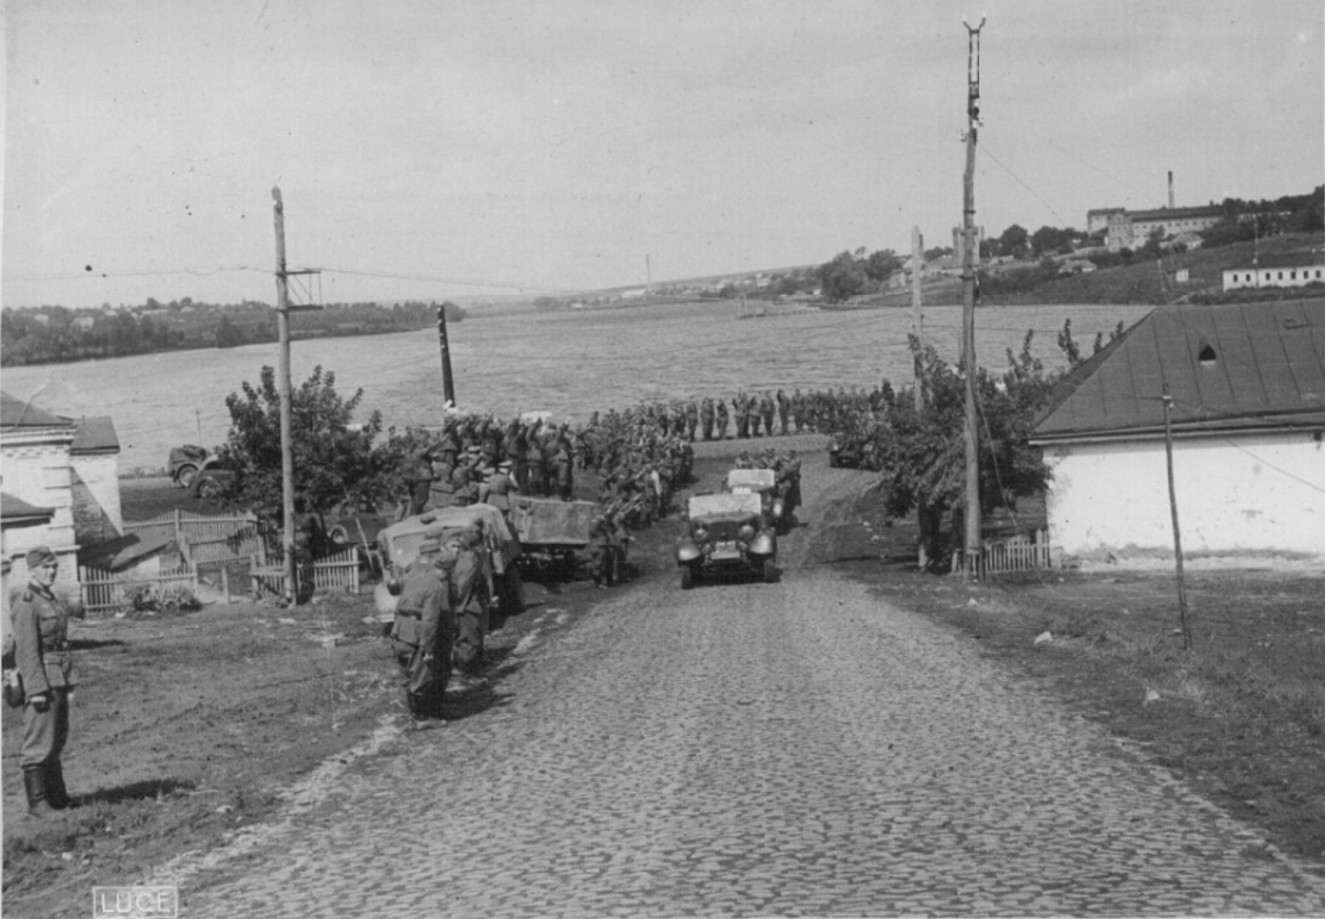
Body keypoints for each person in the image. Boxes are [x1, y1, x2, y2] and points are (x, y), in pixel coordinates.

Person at [11, 546, 76, 815]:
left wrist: (69, 680)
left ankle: (58, 798)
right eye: (45, 567)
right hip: (42, 682)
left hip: (58, 677)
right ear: (32, 569)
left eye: (54, 567)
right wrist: (36, 689)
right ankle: (38, 803)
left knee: (55, 738)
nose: (51, 571)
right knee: (38, 741)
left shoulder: (51, 598)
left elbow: (61, 643)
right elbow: (27, 650)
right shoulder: (27, 603)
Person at [390, 539, 455, 724]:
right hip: (416, 633)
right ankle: (422, 719)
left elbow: (399, 604)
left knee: (409, 676)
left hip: (401, 631)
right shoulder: (435, 586)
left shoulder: (415, 576)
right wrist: (427, 648)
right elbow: (430, 620)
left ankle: (416, 715)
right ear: (446, 571)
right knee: (422, 676)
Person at [449, 527, 491, 691]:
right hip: (467, 608)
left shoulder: (469, 559)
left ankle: (469, 674)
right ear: (476, 545)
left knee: (471, 640)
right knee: (469, 642)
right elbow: (462, 588)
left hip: (469, 606)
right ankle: (462, 676)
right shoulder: (469, 561)